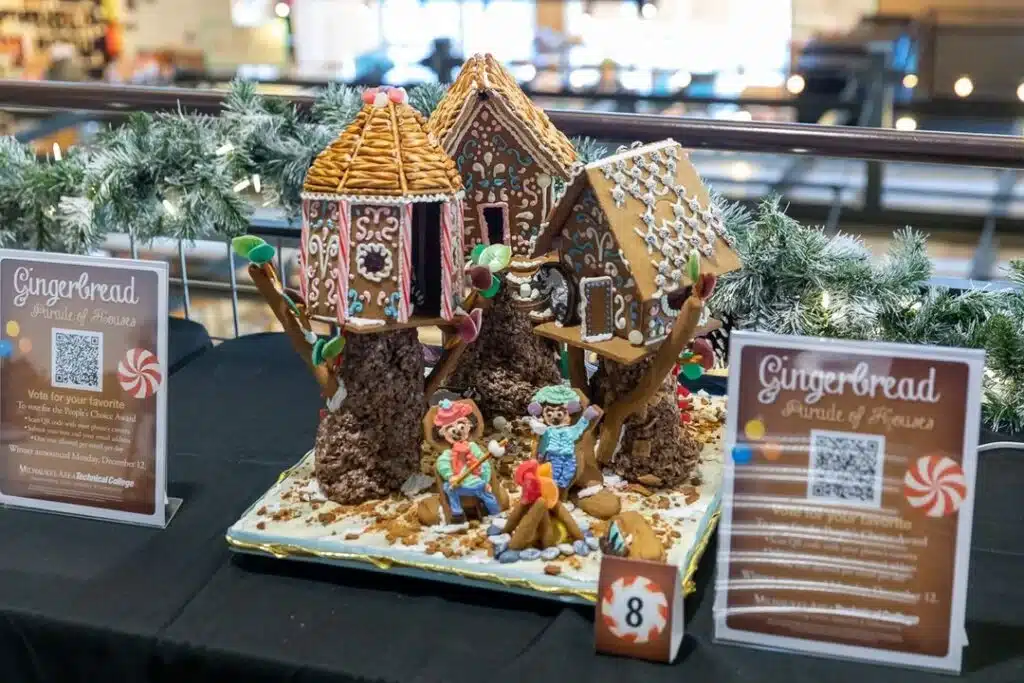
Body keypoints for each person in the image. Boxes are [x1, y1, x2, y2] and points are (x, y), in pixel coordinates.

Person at [433, 399, 504, 523]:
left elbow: (484, 463)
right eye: (452, 430)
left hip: (476, 482)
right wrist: (450, 476)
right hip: (460, 484)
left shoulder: (472, 447)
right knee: (449, 488)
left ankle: (495, 513)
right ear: (445, 434)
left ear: (467, 427)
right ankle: (458, 514)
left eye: (461, 427)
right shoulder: (448, 454)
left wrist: (485, 480)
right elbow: (442, 463)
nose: (457, 432)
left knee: (485, 493)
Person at [524, 385, 603, 491]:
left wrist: (586, 417)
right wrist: (541, 454)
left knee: (568, 473)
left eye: (559, 414)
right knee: (554, 474)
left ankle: (559, 491)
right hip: (553, 457)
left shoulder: (570, 430)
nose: (555, 417)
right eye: (550, 414)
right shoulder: (548, 431)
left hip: (569, 457)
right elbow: (544, 443)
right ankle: (553, 491)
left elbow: (579, 428)